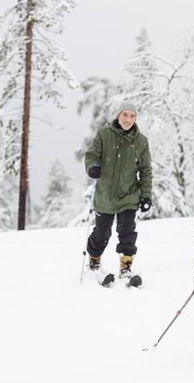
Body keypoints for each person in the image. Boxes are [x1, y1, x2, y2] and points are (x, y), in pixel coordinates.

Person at [84, 101, 153, 279]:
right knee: (101, 233)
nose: (128, 119)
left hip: (128, 196)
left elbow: (145, 171)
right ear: (118, 115)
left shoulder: (141, 141)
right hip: (105, 195)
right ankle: (94, 260)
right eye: (125, 114)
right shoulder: (104, 135)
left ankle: (125, 267)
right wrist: (92, 166)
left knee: (127, 232)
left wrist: (146, 196)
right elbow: (92, 155)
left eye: (132, 116)